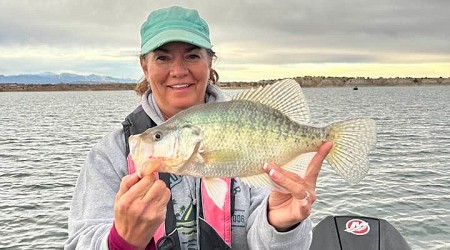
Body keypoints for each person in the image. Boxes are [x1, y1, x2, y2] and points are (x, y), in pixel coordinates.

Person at [65, 5, 332, 250]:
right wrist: (121, 241)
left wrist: (281, 225)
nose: (179, 70)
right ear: (144, 66)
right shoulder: (110, 155)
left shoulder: (257, 140)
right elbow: (79, 241)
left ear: (209, 62)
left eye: (192, 56)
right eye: (163, 58)